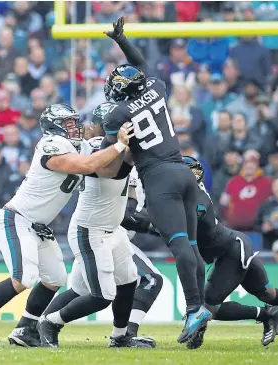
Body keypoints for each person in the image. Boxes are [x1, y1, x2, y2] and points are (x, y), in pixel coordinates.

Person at [0, 103, 134, 348]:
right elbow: (87, 166)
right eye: (69, 124)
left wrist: (127, 150)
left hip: (39, 225)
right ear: (55, 127)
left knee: (54, 277)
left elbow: (107, 171)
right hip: (17, 218)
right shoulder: (50, 144)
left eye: (76, 122)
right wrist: (118, 144)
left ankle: (25, 329)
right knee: (24, 278)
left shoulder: (80, 146)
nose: (77, 128)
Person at [100, 16, 211, 344]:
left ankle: (194, 309)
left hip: (158, 177)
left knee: (178, 245)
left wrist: (115, 144)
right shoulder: (157, 88)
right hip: (182, 169)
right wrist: (122, 40)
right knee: (190, 246)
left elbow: (111, 156)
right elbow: (142, 65)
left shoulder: (116, 114)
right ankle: (198, 309)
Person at [38, 102, 159, 348]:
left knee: (128, 282)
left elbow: (126, 172)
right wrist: (123, 146)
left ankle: (120, 336)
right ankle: (50, 323)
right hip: (90, 230)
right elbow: (110, 171)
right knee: (103, 296)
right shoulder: (95, 147)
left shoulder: (118, 147)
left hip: (113, 229)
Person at [182, 157, 278, 350]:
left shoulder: (198, 199)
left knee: (209, 308)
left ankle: (266, 314)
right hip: (234, 247)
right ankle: (269, 313)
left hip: (233, 252)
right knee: (268, 293)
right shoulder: (188, 196)